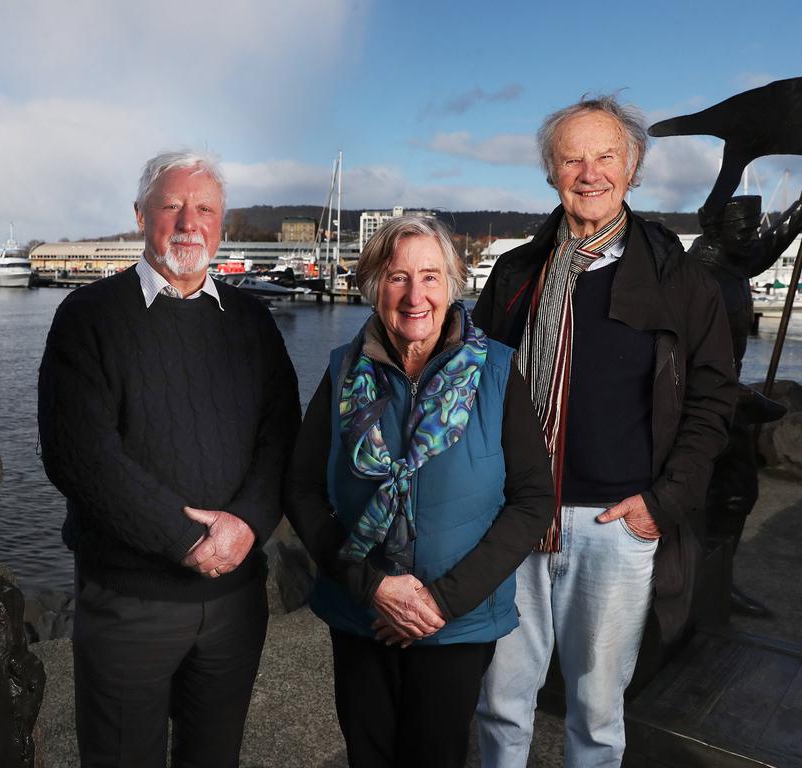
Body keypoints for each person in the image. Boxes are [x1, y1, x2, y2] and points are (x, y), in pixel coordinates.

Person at [474, 95, 737, 767]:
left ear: (635, 166)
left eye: (606, 156)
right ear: (551, 172)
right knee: (501, 702)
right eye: (572, 158)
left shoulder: (680, 280)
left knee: (597, 710)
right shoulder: (516, 274)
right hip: (514, 518)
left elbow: (712, 402)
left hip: (615, 527)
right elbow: (473, 391)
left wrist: (661, 505)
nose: (589, 173)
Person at [37, 150, 300, 767]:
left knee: (215, 756)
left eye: (204, 208)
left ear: (222, 221)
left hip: (236, 600)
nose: (189, 222)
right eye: (172, 206)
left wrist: (246, 528)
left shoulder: (253, 322)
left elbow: (282, 438)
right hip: (130, 604)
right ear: (140, 216)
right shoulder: (88, 317)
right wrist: (186, 538)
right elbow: (79, 456)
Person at [284, 215, 554, 767]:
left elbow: (532, 499)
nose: (415, 296)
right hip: (362, 612)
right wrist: (372, 587)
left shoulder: (498, 372)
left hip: (454, 623)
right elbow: (303, 486)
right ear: (373, 285)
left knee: (435, 754)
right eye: (397, 276)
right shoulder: (342, 370)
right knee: (371, 754)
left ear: (453, 286)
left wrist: (439, 602)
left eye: (430, 277)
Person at [688, 193, 802, 617]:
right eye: (745, 230)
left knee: (736, 493)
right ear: (719, 231)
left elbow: (776, 238)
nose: (753, 237)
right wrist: (746, 401)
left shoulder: (733, 261)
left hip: (727, 400)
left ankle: (717, 583)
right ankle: (690, 588)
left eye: (752, 230)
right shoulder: (697, 278)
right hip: (702, 406)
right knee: (704, 496)